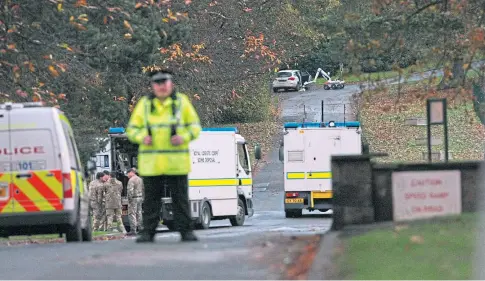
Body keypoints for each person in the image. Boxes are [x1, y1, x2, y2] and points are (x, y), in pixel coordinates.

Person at [126, 69, 201, 243]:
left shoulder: (182, 103)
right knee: (151, 201)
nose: (161, 86)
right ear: (152, 86)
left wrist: (183, 137)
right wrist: (141, 137)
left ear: (171, 83)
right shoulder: (144, 105)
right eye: (157, 83)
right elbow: (132, 130)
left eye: (164, 82)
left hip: (176, 162)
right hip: (152, 164)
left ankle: (186, 231)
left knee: (180, 200)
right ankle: (148, 232)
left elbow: (195, 127)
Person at [126, 168, 144, 236]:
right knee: (139, 213)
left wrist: (129, 200)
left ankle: (133, 230)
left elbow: (130, 191)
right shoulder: (140, 179)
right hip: (140, 198)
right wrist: (143, 197)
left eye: (128, 173)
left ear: (131, 172)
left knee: (132, 214)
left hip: (133, 199)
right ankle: (141, 228)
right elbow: (143, 189)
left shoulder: (131, 180)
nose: (127, 175)